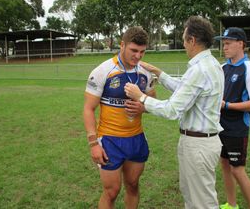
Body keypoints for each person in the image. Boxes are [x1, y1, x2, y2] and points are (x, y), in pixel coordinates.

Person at [124, 16, 224, 209]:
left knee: (202, 203)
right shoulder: (211, 64)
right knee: (193, 197)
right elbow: (186, 90)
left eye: (184, 38)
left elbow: (172, 110)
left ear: (192, 40)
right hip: (201, 142)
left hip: (198, 145)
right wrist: (159, 74)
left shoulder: (200, 70)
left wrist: (141, 98)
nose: (184, 43)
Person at [83, 26, 156, 209]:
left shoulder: (145, 72)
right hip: (110, 140)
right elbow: (88, 109)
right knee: (112, 191)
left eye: (142, 52)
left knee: (132, 185)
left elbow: (153, 101)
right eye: (134, 50)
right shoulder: (103, 71)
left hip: (136, 138)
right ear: (122, 45)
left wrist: (143, 107)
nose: (138, 56)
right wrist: (93, 144)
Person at [214, 27, 250, 209]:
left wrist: (226, 105)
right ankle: (232, 204)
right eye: (223, 44)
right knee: (225, 166)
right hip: (220, 128)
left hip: (237, 129)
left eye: (228, 43)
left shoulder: (249, 68)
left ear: (240, 44)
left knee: (237, 170)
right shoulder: (222, 67)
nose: (224, 47)